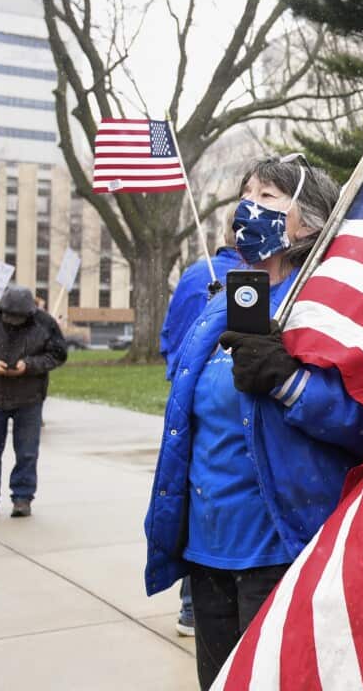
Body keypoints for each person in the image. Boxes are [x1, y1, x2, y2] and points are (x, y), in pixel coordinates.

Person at [143, 154, 363, 689]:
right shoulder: (229, 296)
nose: (250, 205)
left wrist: (289, 382)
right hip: (207, 549)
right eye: (246, 193)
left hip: (281, 547)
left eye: (269, 196)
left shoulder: (328, 304)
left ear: (311, 221)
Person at [159, 219, 241, 639]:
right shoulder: (243, 282)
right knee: (213, 496)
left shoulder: (194, 273)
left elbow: (168, 334)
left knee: (194, 493)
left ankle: (191, 608)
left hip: (184, 395)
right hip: (221, 400)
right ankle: (196, 608)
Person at [0, 285, 68, 519]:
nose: (14, 322)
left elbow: (58, 354)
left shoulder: (45, 324)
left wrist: (29, 365)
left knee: (27, 452)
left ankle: (22, 498)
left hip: (29, 396)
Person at [161, 220, 243, 375]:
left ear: (224, 236)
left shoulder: (192, 273)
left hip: (187, 373)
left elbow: (169, 332)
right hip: (235, 377)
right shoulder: (269, 275)